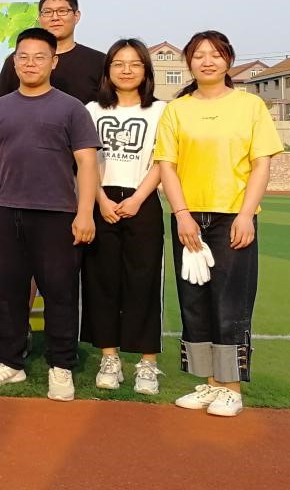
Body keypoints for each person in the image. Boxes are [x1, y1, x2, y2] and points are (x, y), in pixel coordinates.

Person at [0, 28, 100, 402]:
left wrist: (85, 213)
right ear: (14, 61)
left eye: (39, 56)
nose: (30, 63)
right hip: (8, 212)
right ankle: (9, 361)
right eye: (23, 56)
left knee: (59, 292)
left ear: (53, 62)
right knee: (8, 292)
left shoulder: (71, 108)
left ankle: (61, 365)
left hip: (58, 214)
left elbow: (87, 164)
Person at [156, 31, 282, 417]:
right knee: (194, 301)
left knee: (230, 302)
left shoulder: (250, 106)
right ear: (189, 63)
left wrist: (246, 214)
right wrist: (181, 214)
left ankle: (231, 389)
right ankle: (210, 383)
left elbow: (261, 164)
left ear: (228, 60)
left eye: (215, 54)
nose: (207, 61)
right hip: (189, 218)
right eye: (199, 55)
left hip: (233, 218)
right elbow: (167, 166)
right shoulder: (177, 110)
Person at [83, 39, 166, 394]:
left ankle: (147, 364)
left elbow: (164, 161)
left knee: (144, 283)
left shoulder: (161, 111)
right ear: (108, 70)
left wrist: (138, 199)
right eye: (118, 63)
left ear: (146, 70)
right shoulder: (91, 110)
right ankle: (109, 358)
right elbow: (84, 161)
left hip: (142, 201)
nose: (126, 70)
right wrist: (99, 199)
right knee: (101, 282)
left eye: (135, 64)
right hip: (100, 200)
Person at [0, 0, 106, 104]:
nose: (55, 18)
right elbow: (0, 106)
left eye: (62, 11)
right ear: (40, 17)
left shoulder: (99, 61)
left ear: (76, 16)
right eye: (47, 12)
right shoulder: (20, 61)